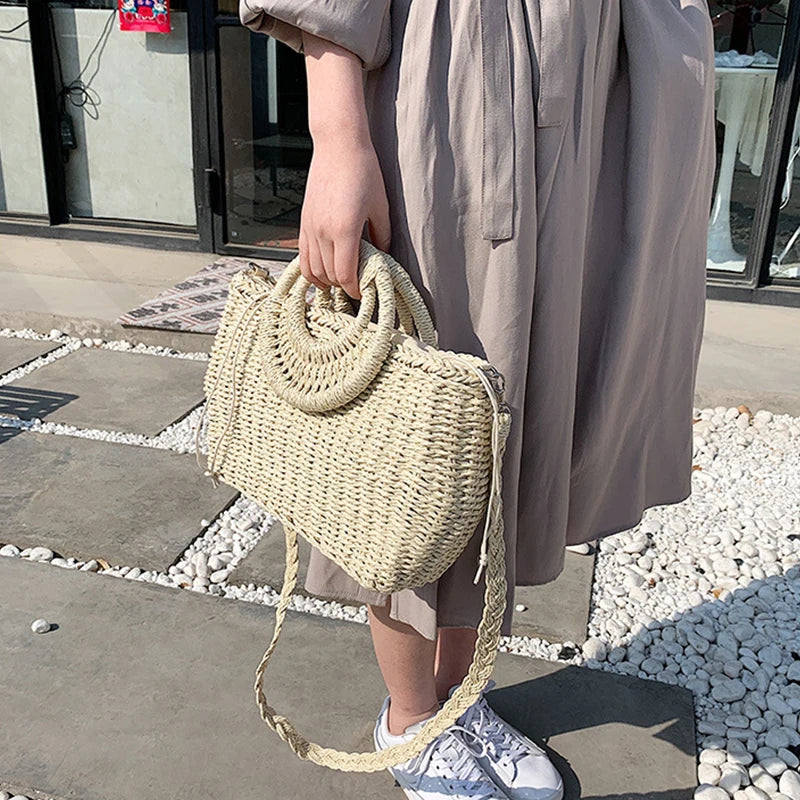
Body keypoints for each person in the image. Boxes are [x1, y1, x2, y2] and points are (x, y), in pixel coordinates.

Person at [240, 0, 718, 797]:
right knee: (413, 446)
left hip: (603, 91)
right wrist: (338, 138)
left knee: (510, 447)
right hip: (454, 83)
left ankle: (456, 698)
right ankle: (410, 720)